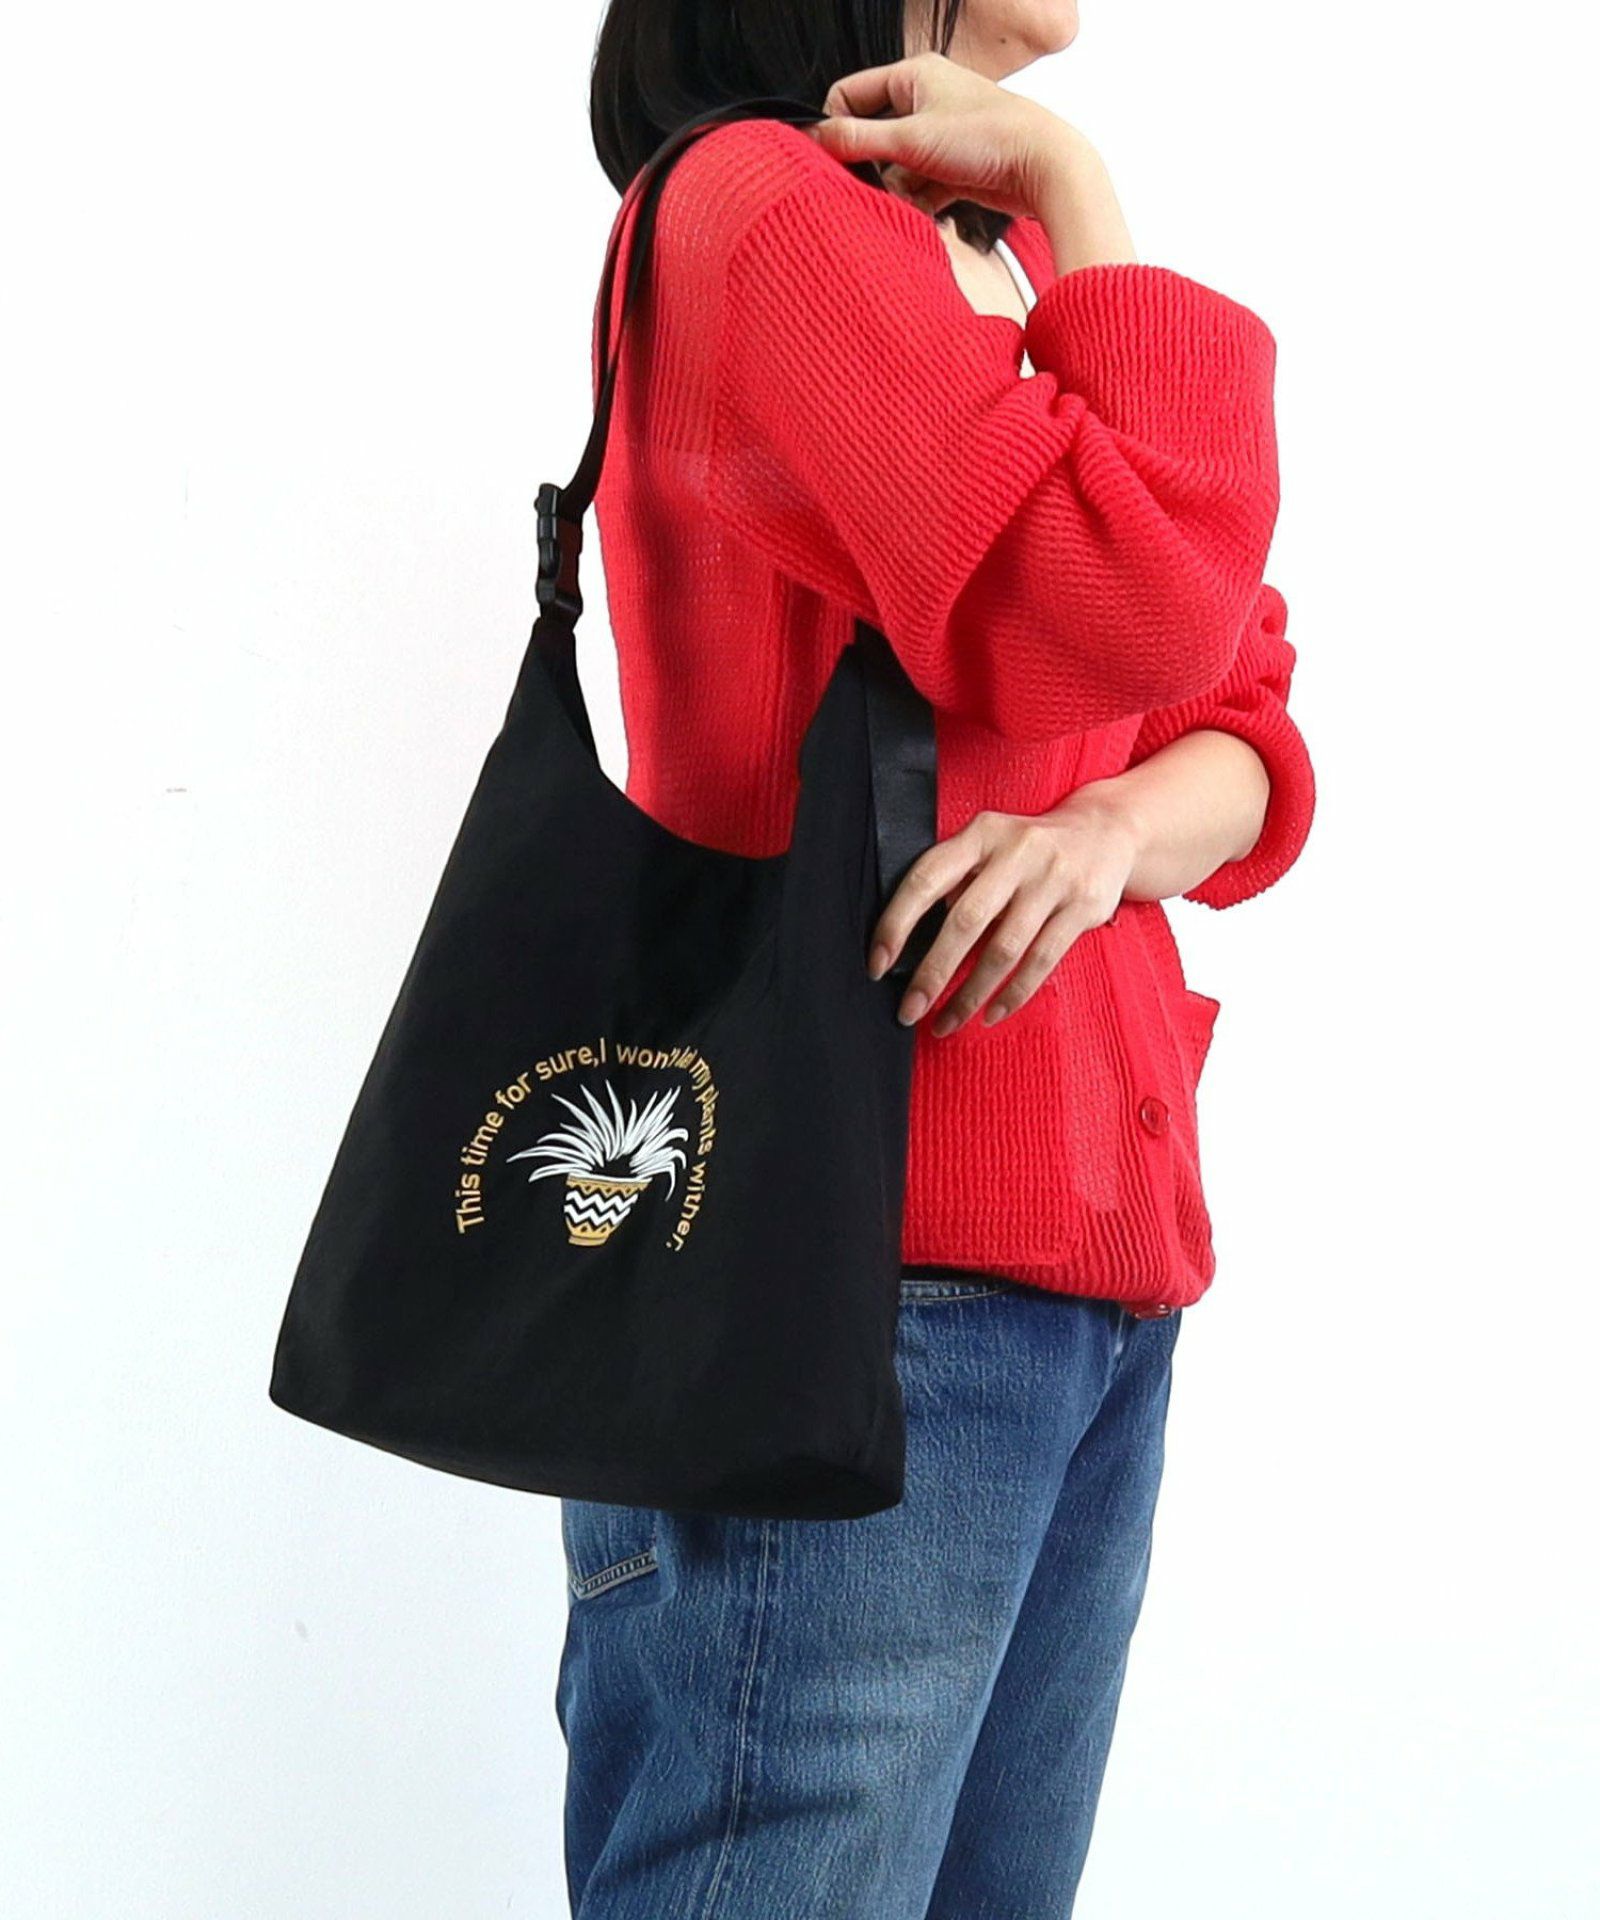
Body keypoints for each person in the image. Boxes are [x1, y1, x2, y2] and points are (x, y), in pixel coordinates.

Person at [557, 3, 1315, 1913]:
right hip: (846, 1284)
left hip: (1086, 1292)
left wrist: (1106, 832)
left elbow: (1242, 708)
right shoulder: (762, 212)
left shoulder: (1009, 265)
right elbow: (1129, 601)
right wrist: (1081, 180)